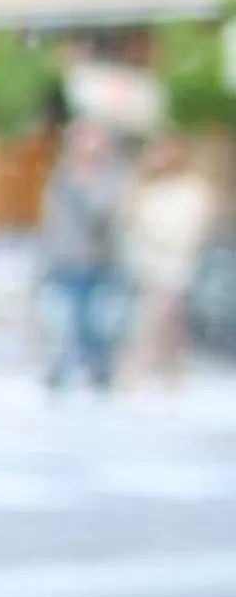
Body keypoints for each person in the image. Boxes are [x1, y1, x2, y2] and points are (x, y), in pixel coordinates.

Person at [39, 120, 130, 395]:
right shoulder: (62, 173)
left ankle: (94, 369)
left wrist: (86, 190)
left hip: (97, 260)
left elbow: (106, 213)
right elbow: (51, 217)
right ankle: (71, 369)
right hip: (65, 258)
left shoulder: (111, 175)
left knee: (91, 320)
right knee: (67, 319)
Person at [121, 135, 212, 392]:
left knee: (156, 315)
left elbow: (191, 228)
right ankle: (170, 368)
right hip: (145, 261)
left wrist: (160, 234)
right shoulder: (146, 186)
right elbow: (131, 218)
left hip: (175, 262)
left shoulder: (190, 189)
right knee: (165, 319)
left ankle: (137, 368)